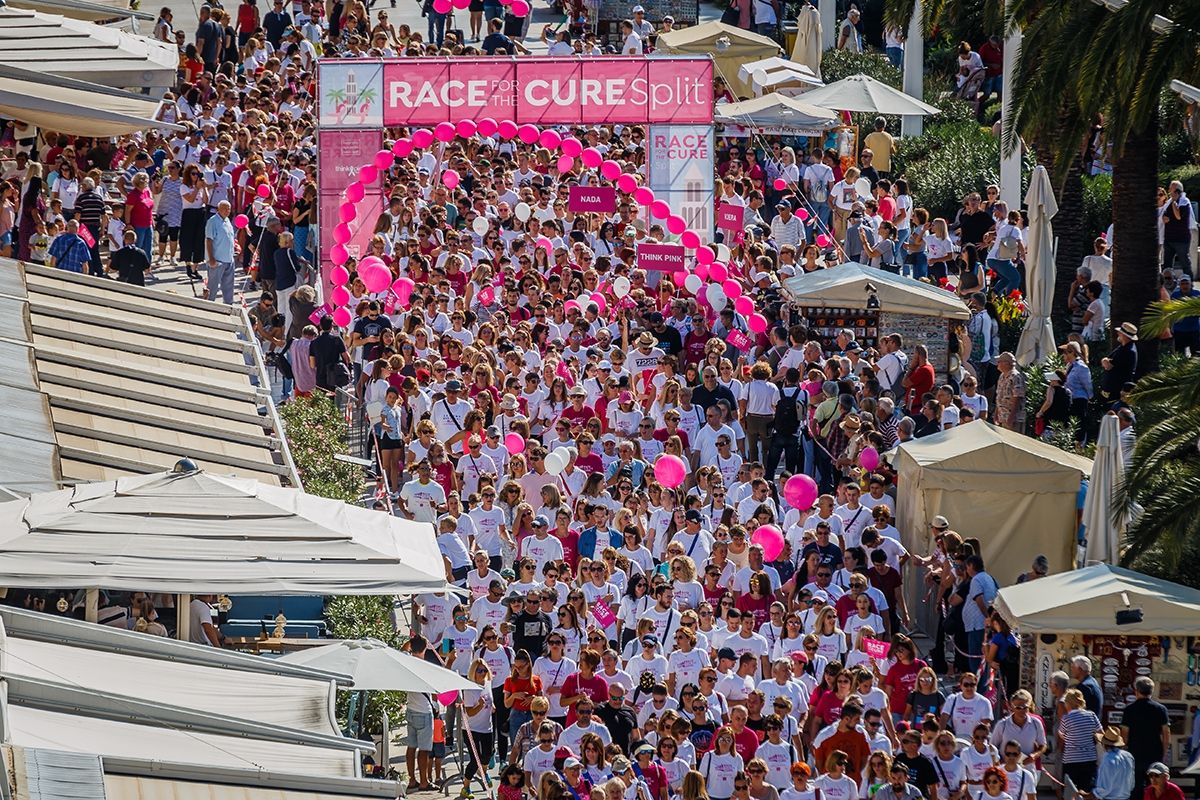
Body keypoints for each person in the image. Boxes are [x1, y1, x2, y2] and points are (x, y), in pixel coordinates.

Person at [1119, 677, 1170, 800]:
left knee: (1135, 788)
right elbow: (1166, 733)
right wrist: (1163, 752)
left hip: (1134, 754)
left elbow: (1124, 735)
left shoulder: (1129, 710)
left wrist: (1124, 751)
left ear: (1136, 691)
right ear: (1151, 691)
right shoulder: (1161, 709)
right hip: (1154, 754)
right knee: (1154, 788)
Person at [1077, 727, 1135, 800]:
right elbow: (1131, 784)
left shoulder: (1108, 759)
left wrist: (1085, 795)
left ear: (1103, 744)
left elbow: (1103, 789)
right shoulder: (1128, 756)